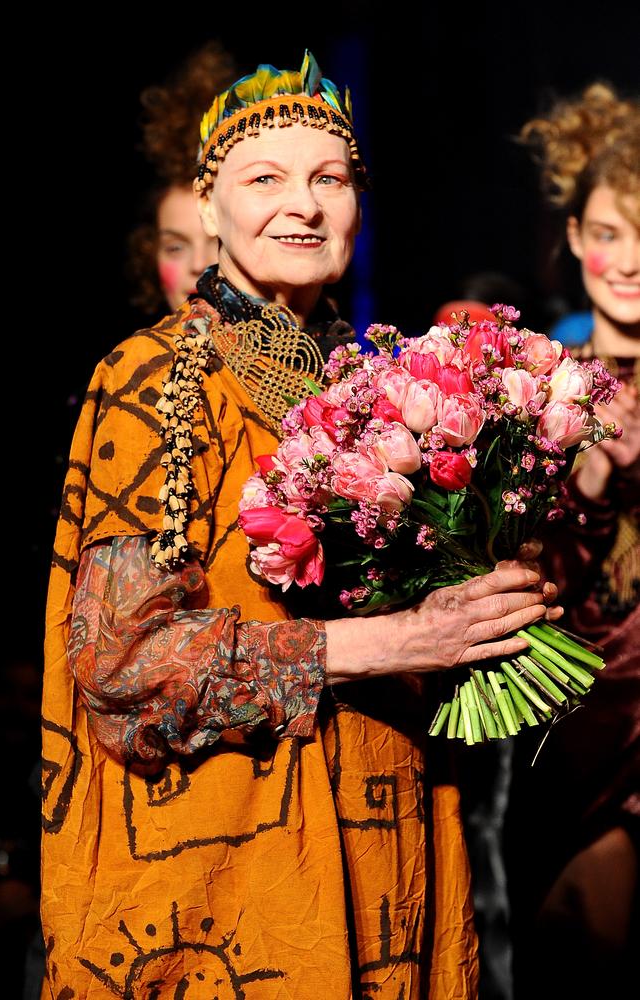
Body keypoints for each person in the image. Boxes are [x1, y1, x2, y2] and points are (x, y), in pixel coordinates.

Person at [41, 51, 557, 998]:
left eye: (329, 178)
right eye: (265, 178)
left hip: (384, 867)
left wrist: (488, 592)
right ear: (207, 208)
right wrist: (396, 638)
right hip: (225, 894)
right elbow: (122, 663)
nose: (304, 205)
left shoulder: (373, 385)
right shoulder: (162, 377)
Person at [506, 83, 639, 1000]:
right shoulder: (535, 380)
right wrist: (588, 484)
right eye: (607, 231)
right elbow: (511, 581)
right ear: (573, 240)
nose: (626, 260)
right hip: (575, 725)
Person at [128, 42, 238, 315]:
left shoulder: (326, 350)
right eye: (175, 247)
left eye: (218, 240)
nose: (198, 264)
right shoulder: (132, 357)